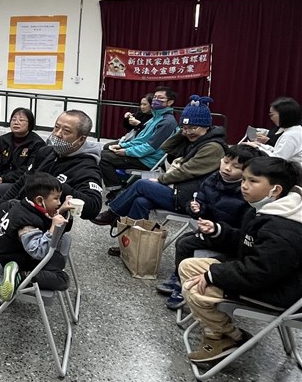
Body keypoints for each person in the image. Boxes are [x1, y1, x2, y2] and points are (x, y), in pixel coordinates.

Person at [0, 110, 103, 284]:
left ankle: (15, 277)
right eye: (56, 127)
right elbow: (22, 182)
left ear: (81, 139)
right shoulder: (47, 152)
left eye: (66, 131)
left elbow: (93, 206)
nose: (58, 134)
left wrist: (57, 186)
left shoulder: (87, 167)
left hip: (41, 224)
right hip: (20, 210)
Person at [179, 157, 302, 363]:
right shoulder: (268, 209)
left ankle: (230, 337)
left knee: (197, 290)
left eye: (253, 181)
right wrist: (218, 231)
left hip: (278, 291)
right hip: (261, 276)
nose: (244, 186)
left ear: (276, 189)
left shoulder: (285, 229)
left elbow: (259, 271)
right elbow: (248, 244)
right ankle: (221, 332)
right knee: (188, 267)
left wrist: (213, 276)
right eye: (244, 179)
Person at [155, 144, 262, 309]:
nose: (227, 168)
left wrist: (216, 229)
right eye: (226, 162)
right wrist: (195, 207)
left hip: (228, 238)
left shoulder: (246, 193)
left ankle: (183, 285)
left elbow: (243, 233)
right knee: (184, 240)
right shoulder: (213, 179)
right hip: (211, 230)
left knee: (185, 243)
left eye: (236, 167)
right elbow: (201, 201)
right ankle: (179, 275)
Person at [93, 95, 227, 227]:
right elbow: (166, 147)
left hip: (192, 200)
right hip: (178, 188)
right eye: (185, 128)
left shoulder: (212, 147)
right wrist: (183, 132)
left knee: (141, 185)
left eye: (193, 128)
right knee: (141, 201)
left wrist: (161, 179)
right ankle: (132, 244)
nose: (189, 132)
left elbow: (186, 171)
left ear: (206, 126)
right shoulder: (195, 139)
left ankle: (113, 213)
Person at [0, 172, 71, 301]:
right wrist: (53, 228)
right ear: (40, 200)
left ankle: (9, 285)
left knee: (57, 261)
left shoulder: (28, 206)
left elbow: (43, 220)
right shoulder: (26, 223)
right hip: (17, 259)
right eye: (56, 198)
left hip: (18, 253)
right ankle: (20, 277)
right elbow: (38, 252)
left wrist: (61, 211)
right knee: (62, 279)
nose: (59, 202)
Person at [99, 86, 178, 188]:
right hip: (141, 155)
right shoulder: (156, 118)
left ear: (170, 102)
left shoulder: (167, 122)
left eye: (160, 98)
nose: (155, 100)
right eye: (155, 97)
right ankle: (117, 186)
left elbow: (149, 147)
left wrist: (126, 151)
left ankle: (115, 189)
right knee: (104, 152)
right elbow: (141, 139)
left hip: (146, 160)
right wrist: (123, 146)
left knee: (103, 158)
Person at [0, 107, 45, 203]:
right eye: (13, 119)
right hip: (0, 178)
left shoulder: (37, 144)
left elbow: (29, 169)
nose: (16, 122)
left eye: (21, 120)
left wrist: (4, 179)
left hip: (20, 182)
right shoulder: (3, 139)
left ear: (30, 124)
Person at [248, 97, 302, 166]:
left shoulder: (290, 135)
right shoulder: (296, 129)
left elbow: (277, 160)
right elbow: (277, 150)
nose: (271, 118)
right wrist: (260, 145)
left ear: (284, 115)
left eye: (272, 115)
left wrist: (256, 148)